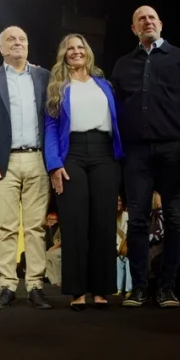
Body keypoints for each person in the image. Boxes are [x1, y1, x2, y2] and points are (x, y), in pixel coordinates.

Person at [111, 5, 180, 308]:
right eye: (140, 18)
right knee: (137, 220)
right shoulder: (123, 65)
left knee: (175, 220)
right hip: (136, 152)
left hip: (173, 149)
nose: (147, 21)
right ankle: (139, 287)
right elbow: (114, 110)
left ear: (161, 24)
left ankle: (167, 287)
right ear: (133, 28)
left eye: (152, 17)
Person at [44, 33, 123, 310]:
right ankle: (77, 292)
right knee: (74, 221)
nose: (75, 52)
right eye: (70, 49)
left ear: (87, 52)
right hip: (72, 153)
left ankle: (101, 291)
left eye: (80, 47)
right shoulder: (58, 86)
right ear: (64, 55)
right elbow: (51, 128)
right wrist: (54, 163)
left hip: (104, 153)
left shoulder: (104, 85)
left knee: (103, 222)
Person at [0, 26, 52, 309]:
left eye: (22, 39)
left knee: (36, 228)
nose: (17, 43)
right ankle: (7, 286)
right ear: (1, 48)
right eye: (11, 39)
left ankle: (35, 285)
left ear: (28, 46)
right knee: (5, 227)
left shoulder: (43, 76)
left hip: (37, 159)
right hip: (3, 161)